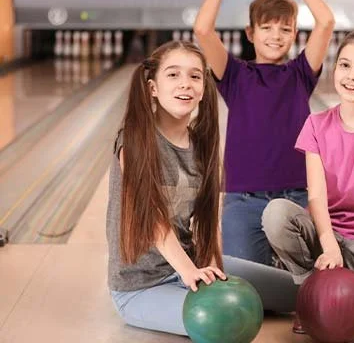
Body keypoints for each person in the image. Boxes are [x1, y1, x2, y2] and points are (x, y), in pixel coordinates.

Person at [107, 41, 298, 336]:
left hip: (192, 267)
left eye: (195, 76)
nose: (186, 84)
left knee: (300, 294)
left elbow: (208, 220)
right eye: (173, 75)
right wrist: (189, 273)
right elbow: (153, 219)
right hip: (141, 286)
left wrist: (211, 268)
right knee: (225, 318)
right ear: (152, 87)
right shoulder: (134, 141)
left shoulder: (200, 144)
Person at [261, 30, 354, 332]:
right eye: (345, 65)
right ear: (335, 67)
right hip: (323, 234)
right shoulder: (316, 125)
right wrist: (329, 245)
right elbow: (316, 197)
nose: (352, 76)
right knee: (276, 213)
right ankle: (311, 295)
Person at [193, 0, 335, 265]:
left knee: (298, 290)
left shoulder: (300, 74)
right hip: (243, 202)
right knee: (249, 285)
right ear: (250, 33)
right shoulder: (235, 75)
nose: (276, 35)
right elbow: (202, 30)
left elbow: (325, 21)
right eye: (267, 28)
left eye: (285, 29)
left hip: (295, 199)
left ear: (295, 33)